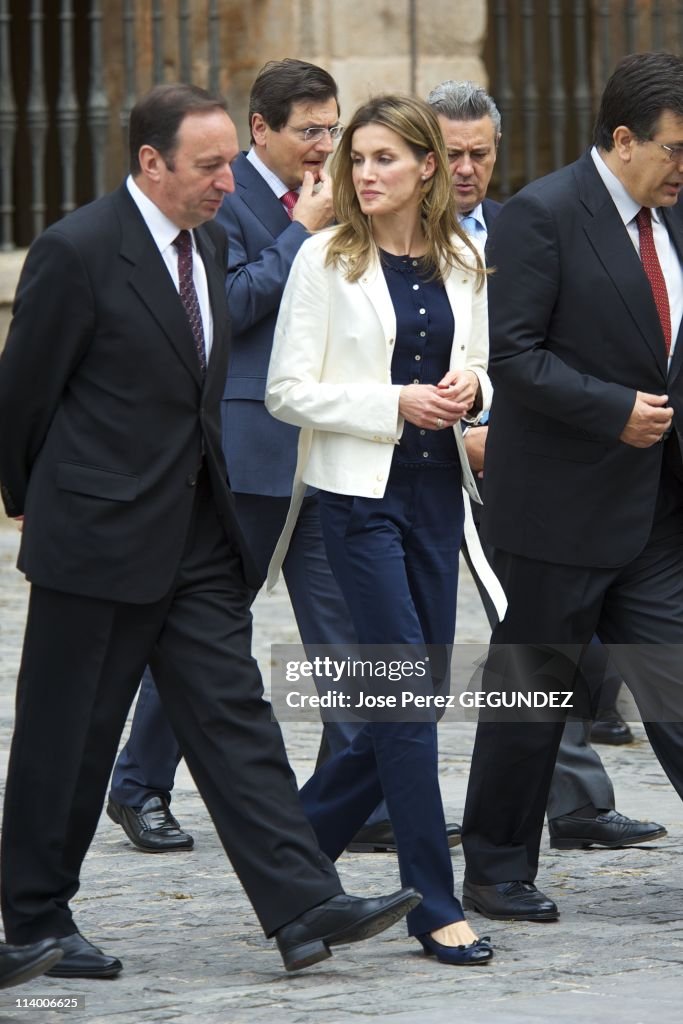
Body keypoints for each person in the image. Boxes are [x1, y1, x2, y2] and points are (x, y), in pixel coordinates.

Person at [0, 83, 419, 978]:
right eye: (209, 165)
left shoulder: (217, 240)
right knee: (67, 735)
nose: (229, 180)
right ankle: (34, 920)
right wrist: (32, 500)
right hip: (97, 538)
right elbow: (21, 397)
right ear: (151, 164)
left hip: (197, 531)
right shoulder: (77, 251)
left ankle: (303, 905)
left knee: (236, 721)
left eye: (231, 159)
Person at [105, 60, 460, 856]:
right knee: (208, 627)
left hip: (337, 456)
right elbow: (220, 309)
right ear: (259, 130)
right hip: (252, 454)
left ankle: (350, 791)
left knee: (347, 642)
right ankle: (139, 787)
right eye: (309, 131)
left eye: (331, 130)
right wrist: (304, 231)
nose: (323, 146)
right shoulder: (221, 201)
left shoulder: (357, 201)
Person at [266, 93, 496, 967]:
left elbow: (478, 365)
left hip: (440, 498)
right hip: (358, 503)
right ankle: (433, 904)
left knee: (415, 699)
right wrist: (391, 402)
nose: (362, 175)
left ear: (426, 168)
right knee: (404, 698)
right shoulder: (324, 259)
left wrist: (473, 391)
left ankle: (285, 865)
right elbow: (290, 392)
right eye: (354, 160)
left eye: (382, 160)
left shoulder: (465, 258)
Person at [459, 50, 683, 923]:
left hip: (656, 509)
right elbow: (513, 357)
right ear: (622, 140)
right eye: (672, 148)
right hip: (557, 508)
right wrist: (610, 411)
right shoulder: (544, 215)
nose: (682, 165)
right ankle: (495, 867)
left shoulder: (674, 213)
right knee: (532, 697)